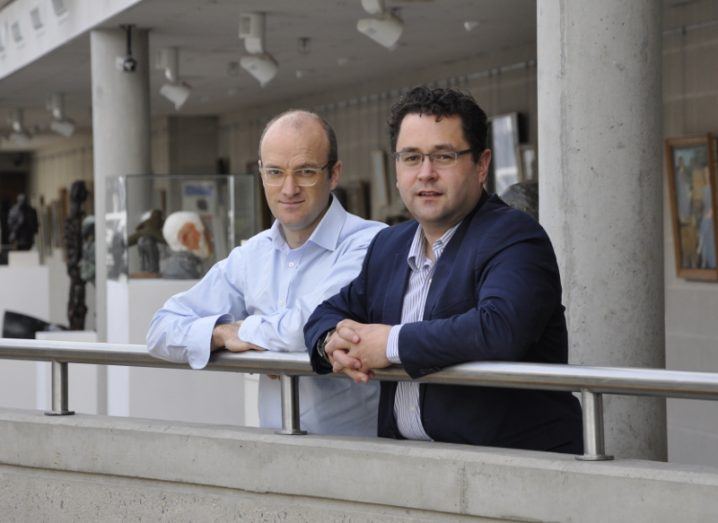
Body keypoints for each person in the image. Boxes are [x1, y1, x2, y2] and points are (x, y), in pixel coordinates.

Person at [304, 87, 583, 453]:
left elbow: (499, 329)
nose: (426, 173)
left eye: (444, 157)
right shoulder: (389, 246)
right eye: (411, 158)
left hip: (513, 466)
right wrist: (332, 345)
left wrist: (388, 344)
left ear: (481, 165)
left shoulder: (514, 236)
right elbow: (325, 314)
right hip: (410, 466)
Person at [147, 110, 385, 436]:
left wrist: (243, 330)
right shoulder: (252, 255)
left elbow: (308, 326)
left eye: (305, 171)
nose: (289, 188)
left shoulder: (371, 244)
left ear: (334, 174)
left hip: (357, 458)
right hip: (272, 453)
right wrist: (219, 335)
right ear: (261, 174)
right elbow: (161, 330)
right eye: (275, 172)